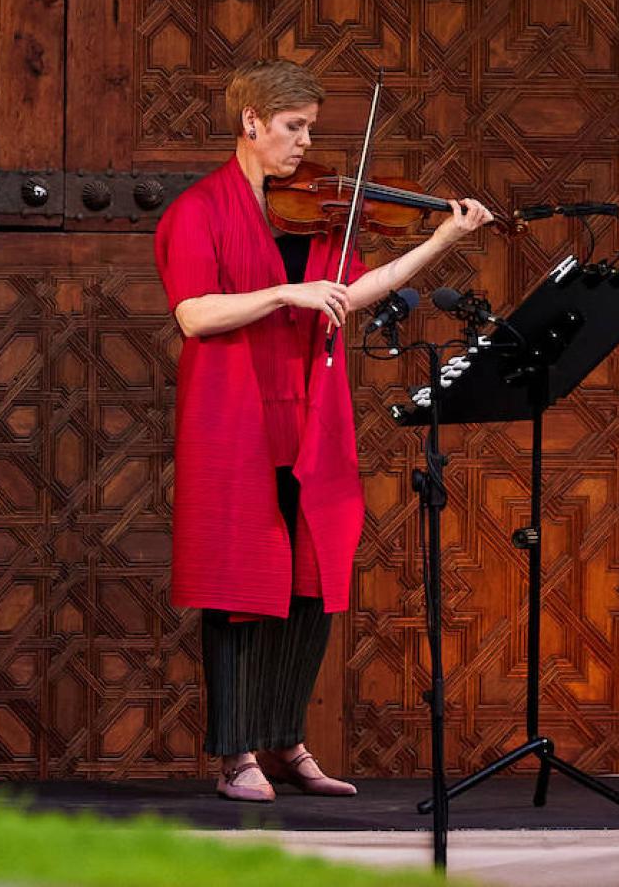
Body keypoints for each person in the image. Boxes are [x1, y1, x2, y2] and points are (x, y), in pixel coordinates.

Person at [153, 59, 495, 802]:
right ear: (251, 122)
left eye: (310, 127)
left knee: (311, 577)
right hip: (235, 420)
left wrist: (443, 239)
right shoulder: (198, 210)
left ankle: (283, 741)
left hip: (308, 413)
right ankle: (235, 755)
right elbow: (195, 314)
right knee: (239, 585)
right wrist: (287, 293)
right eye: (294, 126)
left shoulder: (313, 213)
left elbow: (355, 291)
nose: (306, 142)